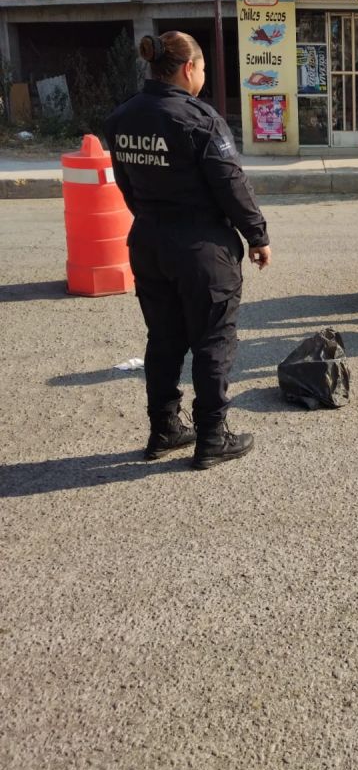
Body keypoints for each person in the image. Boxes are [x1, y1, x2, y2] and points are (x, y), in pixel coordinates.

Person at [105, 32, 271, 470]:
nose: (201, 75)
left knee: (164, 340)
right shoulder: (200, 119)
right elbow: (231, 183)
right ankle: (212, 437)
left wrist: (152, 218)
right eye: (200, 67)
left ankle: (164, 429)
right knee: (213, 341)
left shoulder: (122, 117)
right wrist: (257, 235)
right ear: (187, 69)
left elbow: (126, 185)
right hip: (201, 248)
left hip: (149, 241)